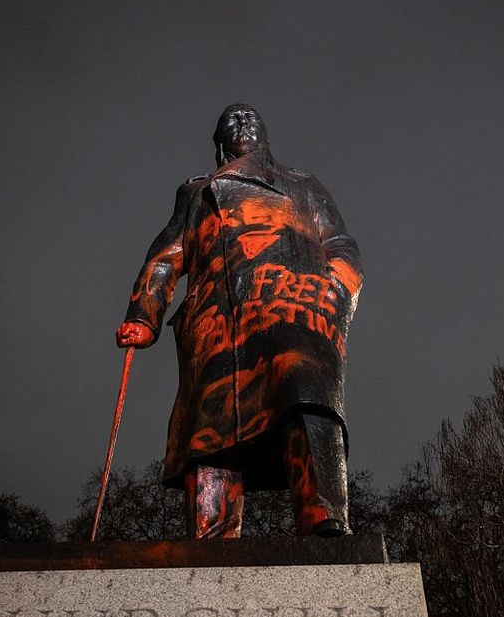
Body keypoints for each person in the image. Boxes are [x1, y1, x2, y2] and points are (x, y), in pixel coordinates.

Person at [116, 104, 363, 538]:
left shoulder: (303, 184)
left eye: (250, 117)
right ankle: (213, 534)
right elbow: (167, 256)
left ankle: (322, 512)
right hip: (218, 320)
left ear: (266, 132)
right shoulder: (196, 192)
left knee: (305, 393)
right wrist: (144, 314)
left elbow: (340, 244)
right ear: (219, 143)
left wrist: (331, 289)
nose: (242, 124)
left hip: (294, 304)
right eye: (230, 120)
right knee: (211, 426)